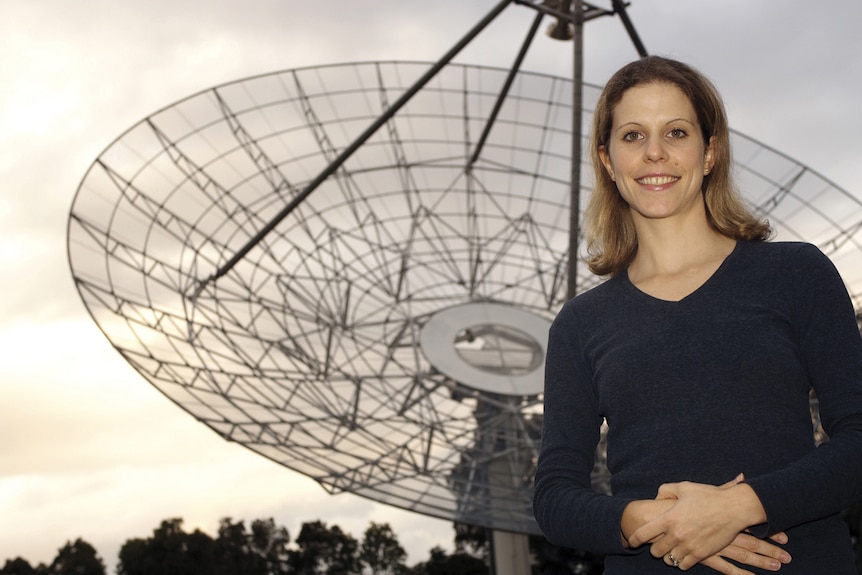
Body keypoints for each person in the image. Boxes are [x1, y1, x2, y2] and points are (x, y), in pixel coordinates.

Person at [532, 55, 862, 574]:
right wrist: (657, 521)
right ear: (607, 160)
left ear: (710, 152)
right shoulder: (581, 323)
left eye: (677, 132)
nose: (655, 153)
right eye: (633, 136)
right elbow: (554, 497)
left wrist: (738, 507)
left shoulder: (795, 274)